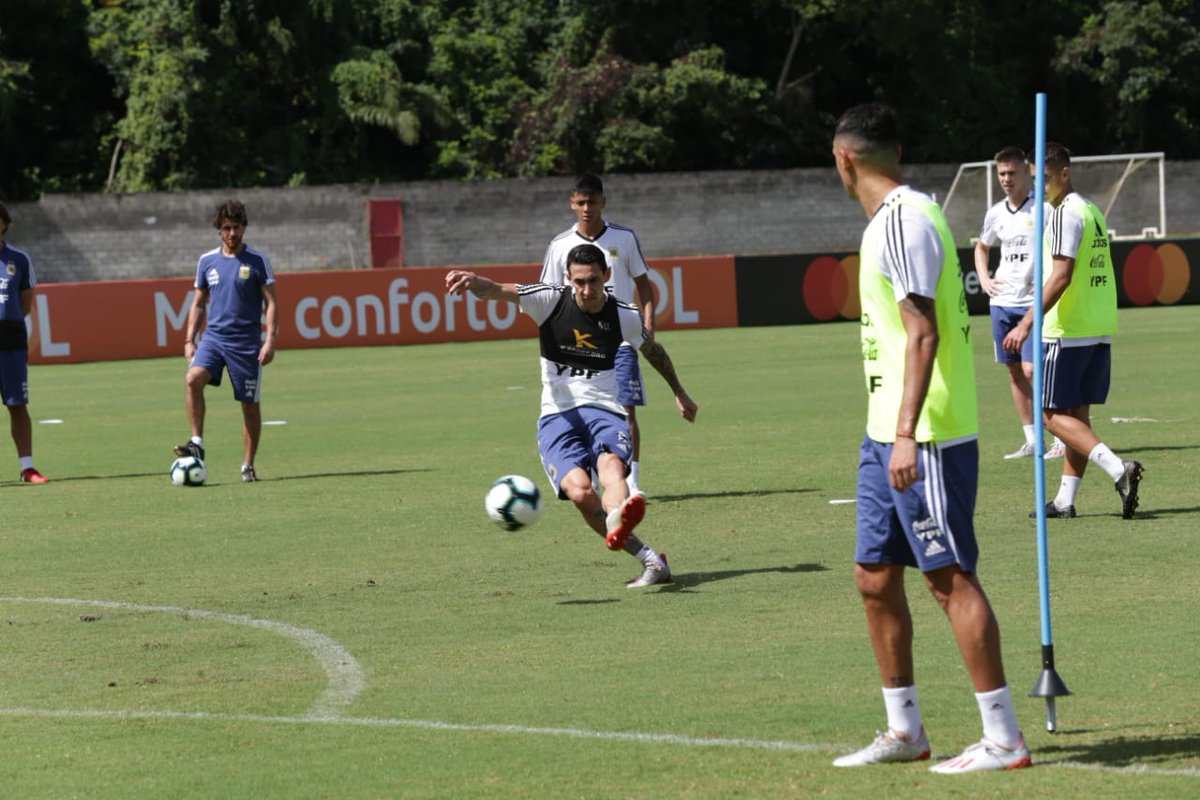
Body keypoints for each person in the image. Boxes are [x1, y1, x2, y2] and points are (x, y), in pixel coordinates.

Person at [829, 103, 1031, 773]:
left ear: (846, 159)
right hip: (882, 430)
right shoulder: (891, 220)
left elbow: (923, 332)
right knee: (873, 576)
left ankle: (1003, 739)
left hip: (927, 433)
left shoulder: (907, 220)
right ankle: (904, 731)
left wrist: (909, 434)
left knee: (948, 578)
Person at [446, 243, 697, 588]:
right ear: (568, 278)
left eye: (594, 280)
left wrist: (679, 391)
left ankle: (618, 511)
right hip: (556, 415)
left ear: (607, 276)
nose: (587, 289)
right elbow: (496, 290)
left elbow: (653, 350)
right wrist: (473, 280)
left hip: (604, 409)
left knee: (610, 467)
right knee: (579, 493)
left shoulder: (623, 314)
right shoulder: (548, 300)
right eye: (579, 281)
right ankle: (649, 558)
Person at [1003, 143, 1143, 519]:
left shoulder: (1065, 213)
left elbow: (1061, 276)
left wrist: (1027, 321)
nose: (1040, 185)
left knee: (1048, 415)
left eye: (1045, 178)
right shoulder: (1091, 208)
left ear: (1065, 173)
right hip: (1097, 326)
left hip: (1068, 327)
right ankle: (1065, 501)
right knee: (1077, 418)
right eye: (1035, 178)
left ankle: (1118, 470)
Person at [539, 175, 655, 496]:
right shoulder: (559, 245)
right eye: (580, 203)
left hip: (620, 337)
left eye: (592, 202)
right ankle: (590, 471)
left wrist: (647, 324)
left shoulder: (624, 238)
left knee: (625, 408)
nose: (586, 208)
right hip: (577, 340)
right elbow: (549, 294)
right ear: (572, 204)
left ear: (604, 201)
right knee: (581, 407)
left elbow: (644, 284)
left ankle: (631, 483)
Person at [174, 199, 278, 482]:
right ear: (219, 230)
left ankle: (248, 465)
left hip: (246, 345)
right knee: (192, 379)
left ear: (244, 228)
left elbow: (272, 303)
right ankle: (197, 443)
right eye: (227, 228)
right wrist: (188, 340)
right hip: (214, 339)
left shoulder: (258, 261)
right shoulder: (207, 261)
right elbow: (197, 304)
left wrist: (269, 341)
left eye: (237, 227)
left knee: (249, 405)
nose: (232, 233)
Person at [973, 147, 1064, 460]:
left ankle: (1060, 437)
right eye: (1001, 174)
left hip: (1032, 303)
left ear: (1027, 173)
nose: (1006, 179)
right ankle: (1032, 439)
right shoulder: (995, 212)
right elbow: (981, 248)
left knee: (1032, 369)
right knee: (1014, 372)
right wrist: (984, 279)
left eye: (1012, 173)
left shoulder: (1044, 209)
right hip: (1002, 303)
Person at [0, 202, 49, 483]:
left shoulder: (18, 259)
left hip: (10, 339)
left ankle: (27, 467)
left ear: (3, 223)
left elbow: (25, 304)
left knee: (17, 403)